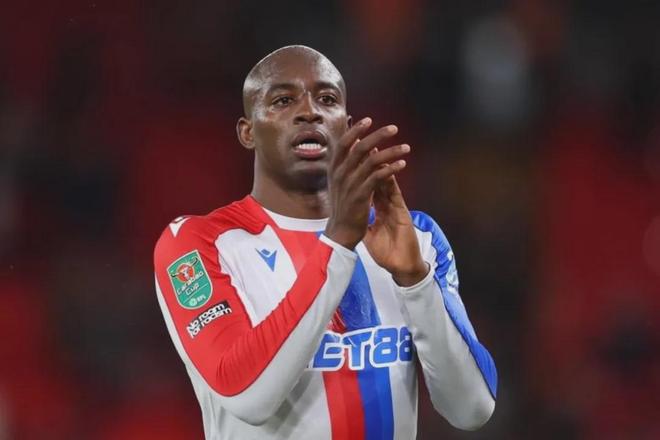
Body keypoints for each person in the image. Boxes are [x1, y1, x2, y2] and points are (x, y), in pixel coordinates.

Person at [153, 45, 497, 440]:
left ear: (346, 127)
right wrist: (337, 245)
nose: (309, 111)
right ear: (248, 132)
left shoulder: (413, 238)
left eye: (327, 99)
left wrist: (416, 282)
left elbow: (471, 409)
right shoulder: (199, 244)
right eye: (283, 100)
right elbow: (247, 395)